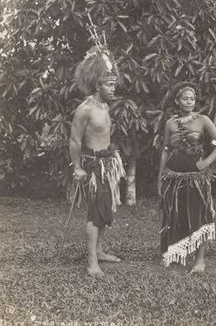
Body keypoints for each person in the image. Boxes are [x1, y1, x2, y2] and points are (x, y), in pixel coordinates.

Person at [158, 82, 216, 273]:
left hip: (196, 179)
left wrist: (206, 162)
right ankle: (177, 253)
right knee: (176, 215)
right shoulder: (170, 123)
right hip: (174, 177)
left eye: (192, 98)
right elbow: (165, 150)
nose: (189, 102)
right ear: (177, 101)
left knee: (199, 216)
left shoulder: (203, 120)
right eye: (185, 98)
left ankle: (200, 261)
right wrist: (160, 176)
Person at [69, 46, 125, 277]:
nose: (114, 88)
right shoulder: (85, 109)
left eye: (113, 84)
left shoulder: (104, 106)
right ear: (97, 85)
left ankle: (100, 251)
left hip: (107, 164)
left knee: (104, 210)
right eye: (109, 85)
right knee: (94, 213)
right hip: (92, 166)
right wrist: (78, 168)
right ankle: (92, 261)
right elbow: (74, 140)